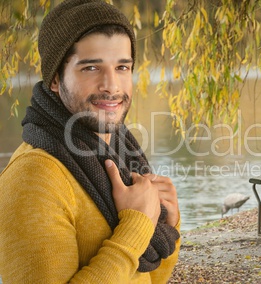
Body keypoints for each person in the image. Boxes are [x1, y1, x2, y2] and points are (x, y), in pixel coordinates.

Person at [0, 0, 180, 282]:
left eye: (122, 67)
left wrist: (167, 225)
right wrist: (136, 225)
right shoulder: (34, 177)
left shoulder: (122, 154)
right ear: (56, 79)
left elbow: (149, 279)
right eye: (91, 68)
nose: (112, 85)